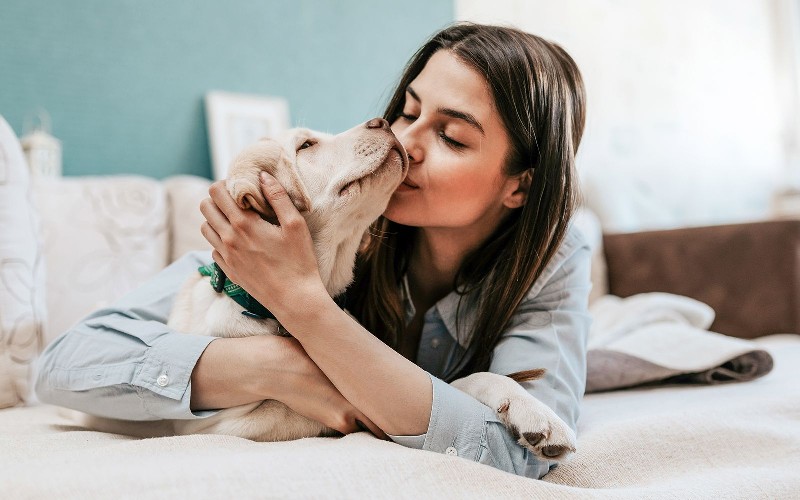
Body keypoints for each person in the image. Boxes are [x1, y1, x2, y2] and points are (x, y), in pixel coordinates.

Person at [34, 22, 591, 479]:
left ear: (521, 184)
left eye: (452, 137)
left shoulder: (554, 257)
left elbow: (519, 454)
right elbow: (64, 365)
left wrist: (304, 304)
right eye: (409, 110)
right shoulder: (320, 223)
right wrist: (276, 366)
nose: (407, 140)